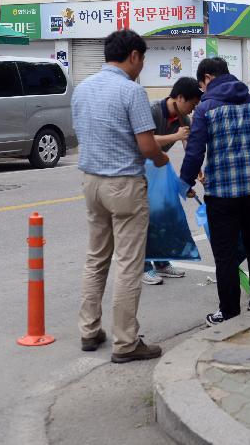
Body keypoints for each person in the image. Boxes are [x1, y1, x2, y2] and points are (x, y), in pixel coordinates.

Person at [72, 29, 170, 363]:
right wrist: (161, 158)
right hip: (124, 185)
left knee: (96, 257)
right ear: (134, 56)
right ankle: (126, 342)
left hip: (91, 183)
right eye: (141, 59)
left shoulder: (82, 89)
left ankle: (89, 330)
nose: (141, 66)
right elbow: (146, 145)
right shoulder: (132, 92)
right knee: (129, 264)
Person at [180, 57, 250, 326]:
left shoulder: (206, 109)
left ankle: (229, 312)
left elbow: (195, 150)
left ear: (208, 78)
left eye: (202, 85)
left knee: (225, 255)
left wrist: (185, 182)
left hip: (221, 195)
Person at [142, 77, 203, 286]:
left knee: (163, 214)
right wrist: (175, 136)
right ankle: (143, 267)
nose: (193, 110)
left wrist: (194, 176)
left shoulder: (184, 120)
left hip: (159, 168)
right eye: (192, 104)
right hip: (139, 167)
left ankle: (161, 262)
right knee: (144, 218)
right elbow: (145, 140)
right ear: (178, 97)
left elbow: (190, 147)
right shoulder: (152, 110)